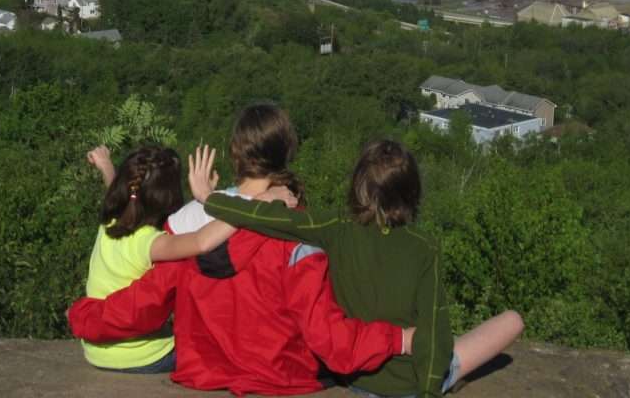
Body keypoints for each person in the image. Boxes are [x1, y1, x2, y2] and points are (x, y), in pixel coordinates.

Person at [68, 105, 415, 395]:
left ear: (235, 154)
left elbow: (146, 299)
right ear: (287, 154)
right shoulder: (299, 232)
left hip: (202, 369)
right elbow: (329, 338)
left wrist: (84, 317)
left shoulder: (185, 222)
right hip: (281, 374)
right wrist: (399, 339)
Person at [199, 138, 524, 398]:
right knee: (512, 320)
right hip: (405, 384)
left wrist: (210, 199)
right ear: (410, 192)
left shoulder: (336, 226)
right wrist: (428, 390)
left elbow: (269, 218)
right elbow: (434, 328)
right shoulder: (424, 248)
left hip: (354, 375)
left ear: (359, 186)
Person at [81, 144, 237, 373]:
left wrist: (106, 166)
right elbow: (201, 242)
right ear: (167, 199)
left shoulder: (110, 220)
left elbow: (117, 191)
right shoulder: (152, 243)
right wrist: (217, 202)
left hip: (96, 351)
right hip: (144, 357)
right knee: (214, 352)